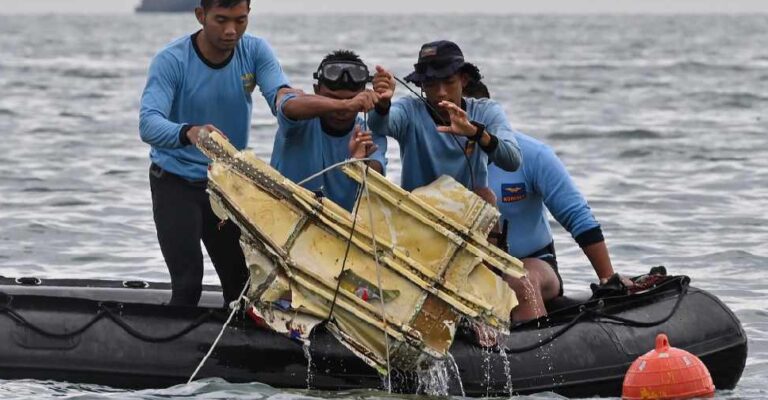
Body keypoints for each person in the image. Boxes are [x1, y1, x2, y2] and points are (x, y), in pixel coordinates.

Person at [138, 0, 292, 306]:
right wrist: (189, 132)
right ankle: (178, 350)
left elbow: (281, 96)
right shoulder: (172, 61)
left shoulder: (254, 51)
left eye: (240, 20)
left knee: (242, 288)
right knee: (188, 284)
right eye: (221, 20)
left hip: (226, 187)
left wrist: (303, 104)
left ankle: (233, 350)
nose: (231, 31)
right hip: (175, 182)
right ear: (200, 15)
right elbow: (148, 124)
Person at [461, 65, 627, 321]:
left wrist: (608, 278)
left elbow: (577, 217)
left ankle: (539, 354)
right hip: (464, 267)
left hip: (534, 264)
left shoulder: (533, 154)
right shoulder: (438, 162)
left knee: (519, 280)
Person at [368, 40, 522, 200]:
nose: (441, 92)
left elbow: (513, 161)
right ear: (421, 85)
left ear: (464, 80)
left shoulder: (486, 111)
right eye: (431, 84)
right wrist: (383, 103)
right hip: (419, 212)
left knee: (487, 197)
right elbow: (379, 125)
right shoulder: (409, 111)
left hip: (470, 212)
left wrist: (476, 133)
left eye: (449, 82)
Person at [270, 50, 387, 211]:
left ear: (363, 96)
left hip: (337, 229)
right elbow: (288, 106)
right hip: (282, 214)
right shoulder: (298, 120)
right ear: (316, 90)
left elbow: (378, 173)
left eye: (352, 98)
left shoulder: (367, 133)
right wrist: (348, 104)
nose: (342, 111)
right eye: (332, 98)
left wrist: (358, 165)